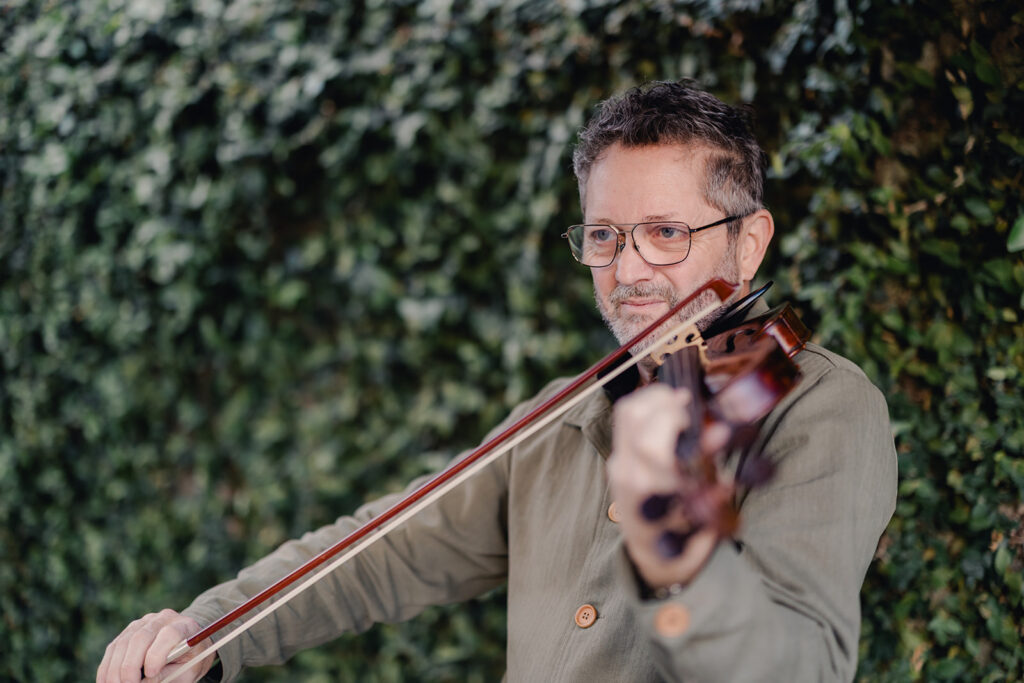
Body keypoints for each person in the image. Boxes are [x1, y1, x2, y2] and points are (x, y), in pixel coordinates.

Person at [98, 80, 897, 683]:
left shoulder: (820, 409)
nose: (628, 270)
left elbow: (799, 665)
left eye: (665, 232)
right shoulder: (564, 413)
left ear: (748, 243)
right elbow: (380, 553)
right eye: (604, 235)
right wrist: (207, 633)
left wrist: (679, 554)